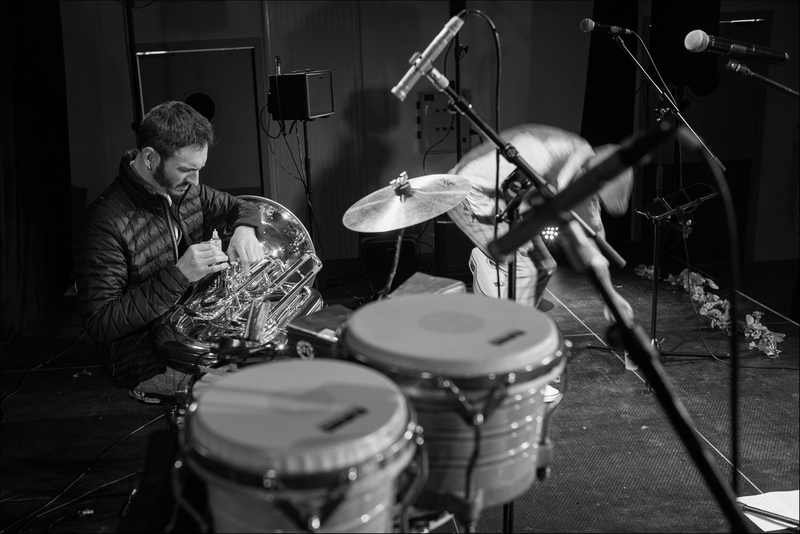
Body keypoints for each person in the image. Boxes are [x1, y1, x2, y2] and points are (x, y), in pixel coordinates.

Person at [73, 101, 265, 404]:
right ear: (150, 158)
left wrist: (244, 229)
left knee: (274, 357)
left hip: (190, 331)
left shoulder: (186, 189)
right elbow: (101, 322)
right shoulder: (103, 222)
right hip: (142, 358)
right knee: (250, 389)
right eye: (186, 170)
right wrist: (179, 275)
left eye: (199, 169)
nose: (195, 181)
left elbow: (240, 206)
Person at [447, 124, 635, 322]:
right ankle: (508, 333)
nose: (591, 198)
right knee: (523, 271)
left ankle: (524, 323)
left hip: (508, 203)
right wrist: (499, 223)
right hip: (467, 194)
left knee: (544, 267)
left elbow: (591, 239)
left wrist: (609, 296)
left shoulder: (588, 179)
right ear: (586, 173)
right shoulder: (540, 152)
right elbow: (469, 180)